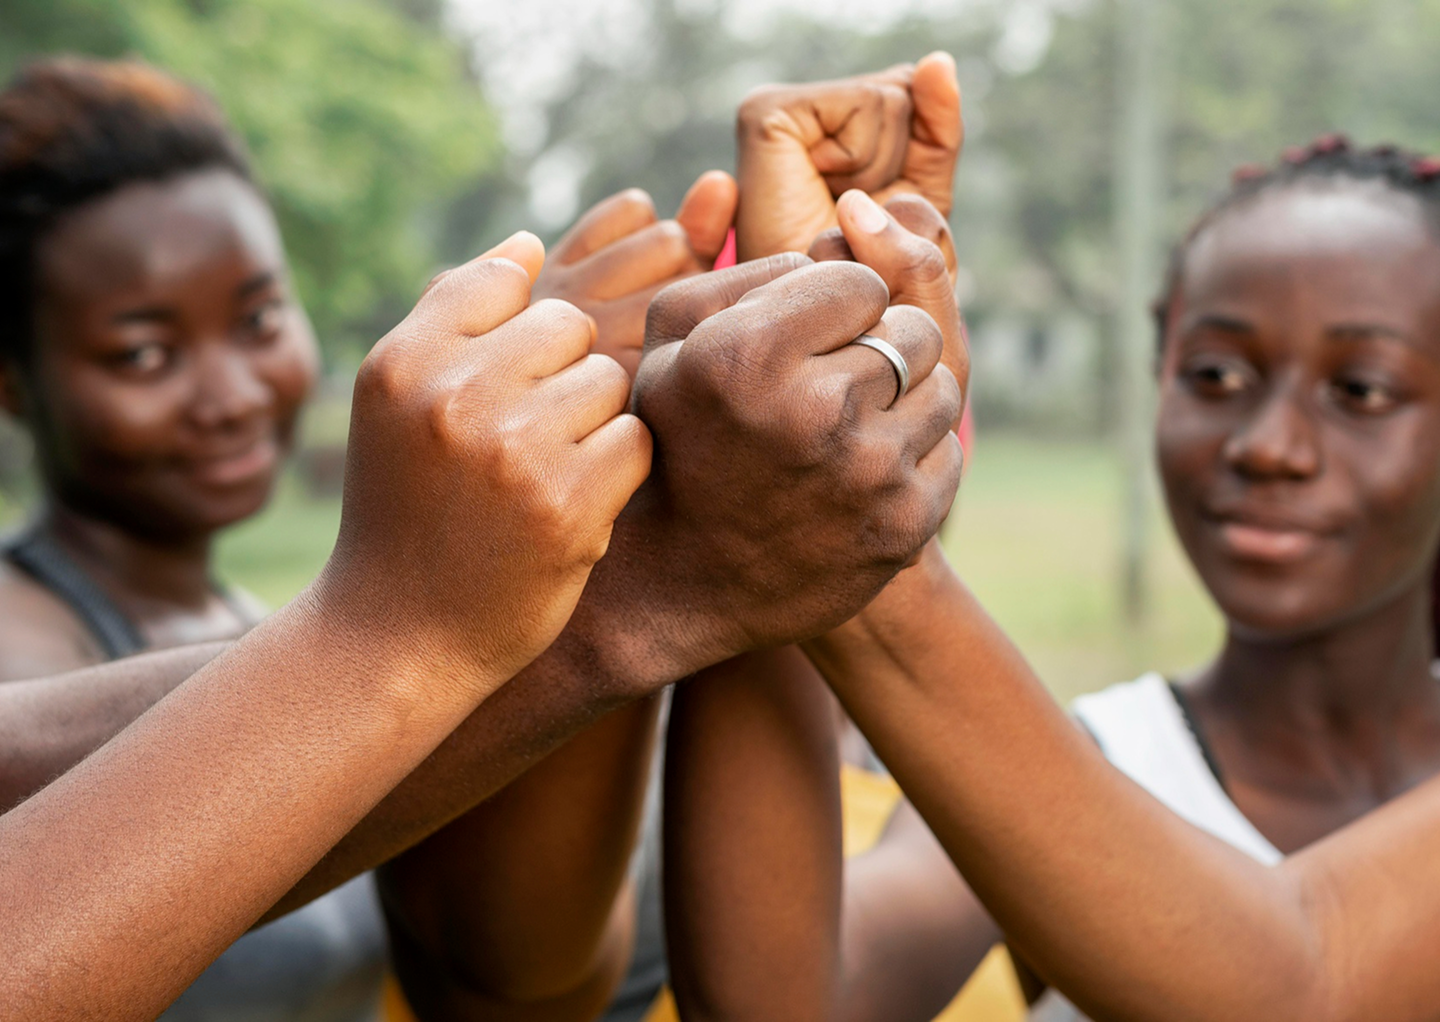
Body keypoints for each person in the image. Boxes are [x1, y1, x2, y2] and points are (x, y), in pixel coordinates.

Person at [0, 55, 733, 1021]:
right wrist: (437, 609)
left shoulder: (284, 622)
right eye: (143, 353)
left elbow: (502, 978)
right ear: (13, 381)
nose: (230, 395)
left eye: (258, 318)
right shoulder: (26, 640)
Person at [374, 55, 969, 1022]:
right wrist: (656, 514)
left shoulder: (995, 786)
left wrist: (728, 534)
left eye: (874, 401)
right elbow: (506, 977)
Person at [796, 139, 1440, 1021]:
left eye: (1361, 390)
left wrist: (865, 554)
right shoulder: (1097, 765)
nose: (1267, 446)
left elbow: (1305, 981)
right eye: (1216, 375)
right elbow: (790, 996)